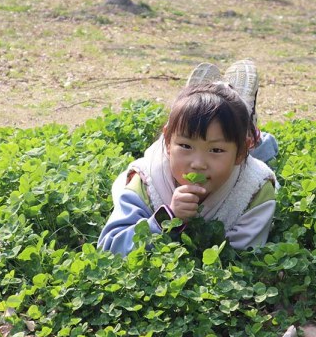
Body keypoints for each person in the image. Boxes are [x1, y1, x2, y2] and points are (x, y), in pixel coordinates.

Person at [97, 72, 277, 256]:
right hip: (202, 149)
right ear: (167, 143)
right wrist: (166, 219)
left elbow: (244, 257)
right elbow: (110, 247)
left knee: (261, 150)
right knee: (213, 134)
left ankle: (249, 123)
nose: (198, 164)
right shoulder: (147, 180)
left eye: (216, 150)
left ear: (240, 152)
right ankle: (229, 111)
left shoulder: (256, 188)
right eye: (185, 146)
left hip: (243, 157)